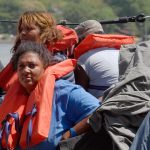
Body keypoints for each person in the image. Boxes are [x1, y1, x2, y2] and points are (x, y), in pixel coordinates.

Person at [0, 41, 100, 150]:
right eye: (21, 66)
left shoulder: (64, 91)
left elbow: (99, 111)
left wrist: (70, 134)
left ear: (45, 67)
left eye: (32, 65)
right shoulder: (13, 97)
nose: (26, 70)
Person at [0, 10, 78, 92]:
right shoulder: (22, 57)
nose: (22, 33)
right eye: (21, 29)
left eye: (29, 29)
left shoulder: (56, 61)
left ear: (45, 32)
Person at [74, 20, 135, 99]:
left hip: (105, 106)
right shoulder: (121, 52)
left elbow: (79, 94)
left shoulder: (83, 59)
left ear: (81, 40)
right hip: (133, 100)